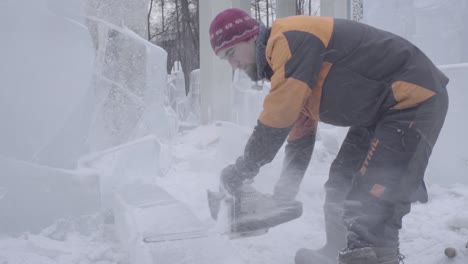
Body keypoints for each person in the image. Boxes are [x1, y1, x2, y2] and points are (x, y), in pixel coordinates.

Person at [209, 8, 448, 264]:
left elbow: (274, 123)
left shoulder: (289, 39)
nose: (233, 64)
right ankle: (337, 249)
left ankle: (375, 257)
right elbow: (299, 138)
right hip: (379, 113)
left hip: (411, 98)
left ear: (250, 36)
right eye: (225, 59)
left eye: (231, 53)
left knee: (376, 195)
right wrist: (283, 196)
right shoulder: (286, 67)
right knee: (341, 182)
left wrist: (241, 170)